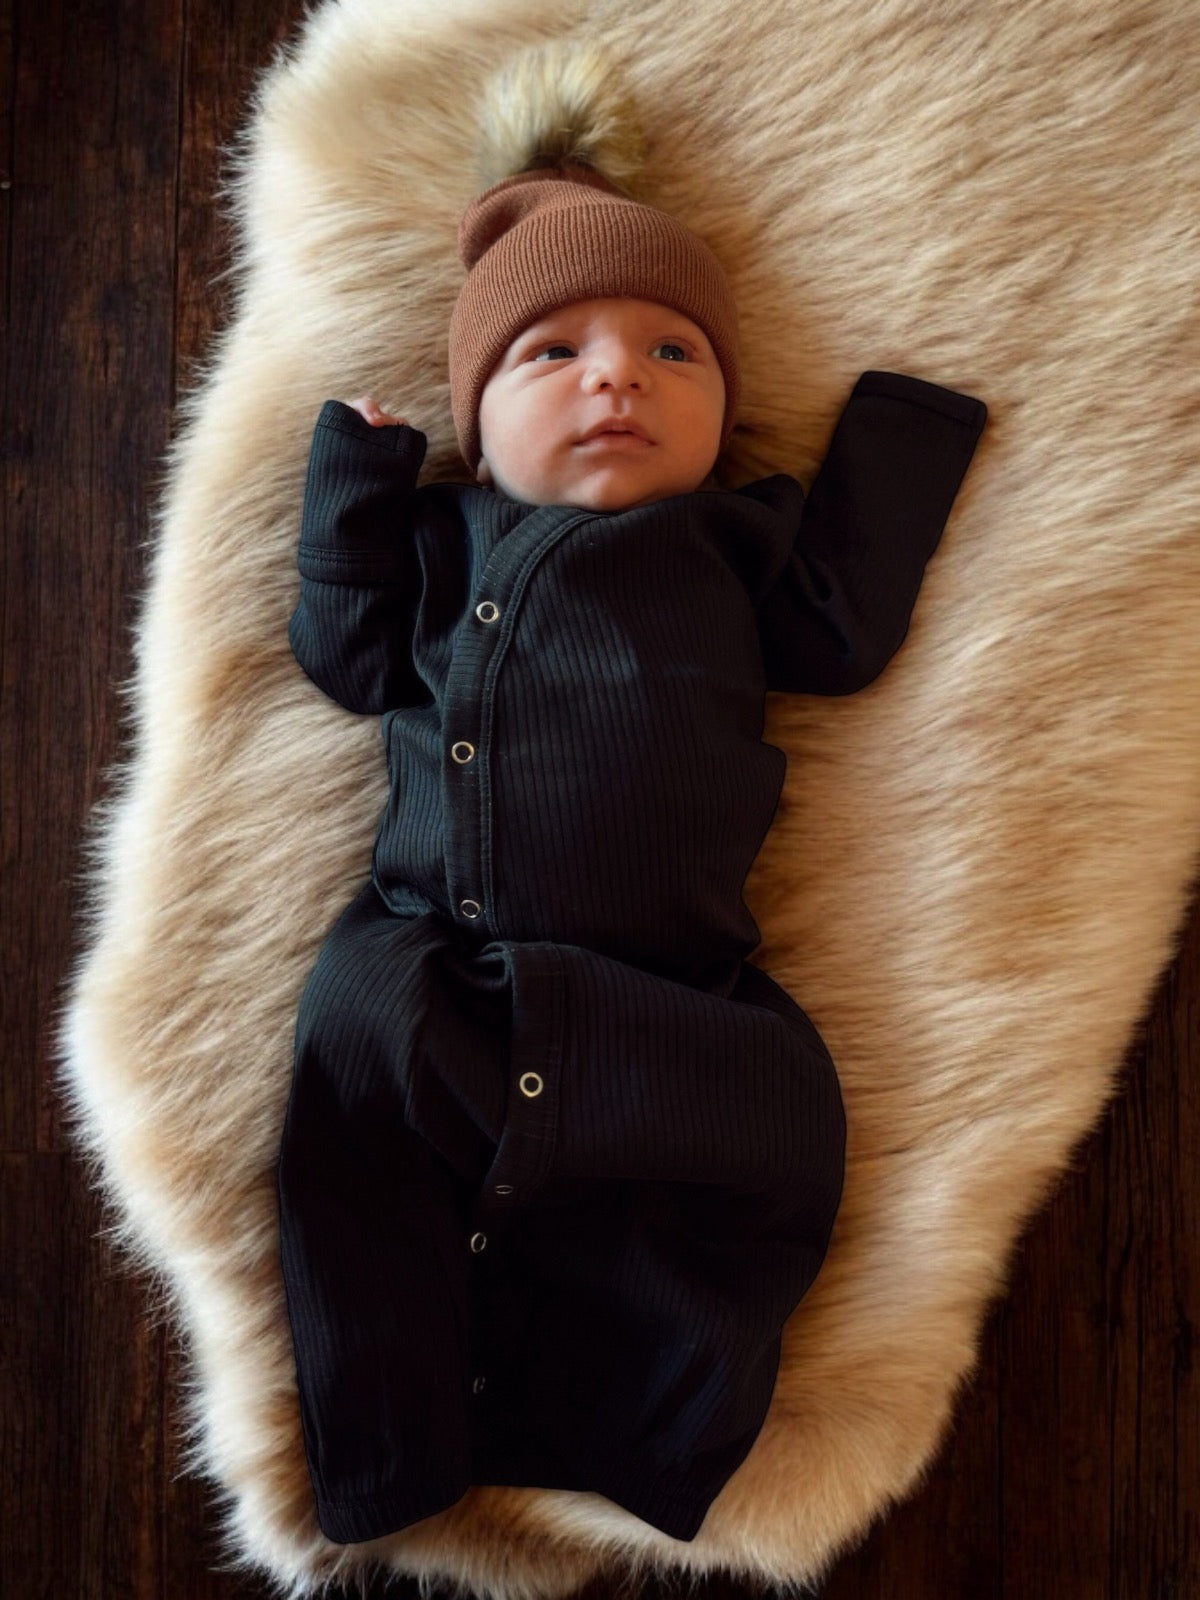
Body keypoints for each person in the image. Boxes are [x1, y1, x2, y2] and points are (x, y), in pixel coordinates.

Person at [276, 160, 987, 1547]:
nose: (621, 380)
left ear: (725, 413)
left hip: (676, 991)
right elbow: (350, 656)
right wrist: (352, 488)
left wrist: (901, 443)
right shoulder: (446, 538)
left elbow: (841, 630)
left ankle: (637, 1432)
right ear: (475, 429)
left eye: (674, 352)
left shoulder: (734, 540)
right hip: (436, 955)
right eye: (555, 353)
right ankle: (390, 1440)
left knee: (765, 1143)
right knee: (358, 1139)